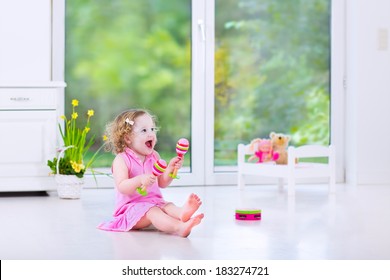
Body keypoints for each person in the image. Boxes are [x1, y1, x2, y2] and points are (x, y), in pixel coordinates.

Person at [97, 109, 204, 237]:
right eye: (144, 130)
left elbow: (162, 183)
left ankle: (181, 213)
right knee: (153, 211)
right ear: (127, 138)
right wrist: (139, 180)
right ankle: (179, 227)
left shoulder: (154, 156)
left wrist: (170, 169)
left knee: (167, 206)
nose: (151, 134)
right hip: (130, 210)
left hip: (154, 202)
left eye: (153, 129)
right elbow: (122, 186)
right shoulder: (121, 160)